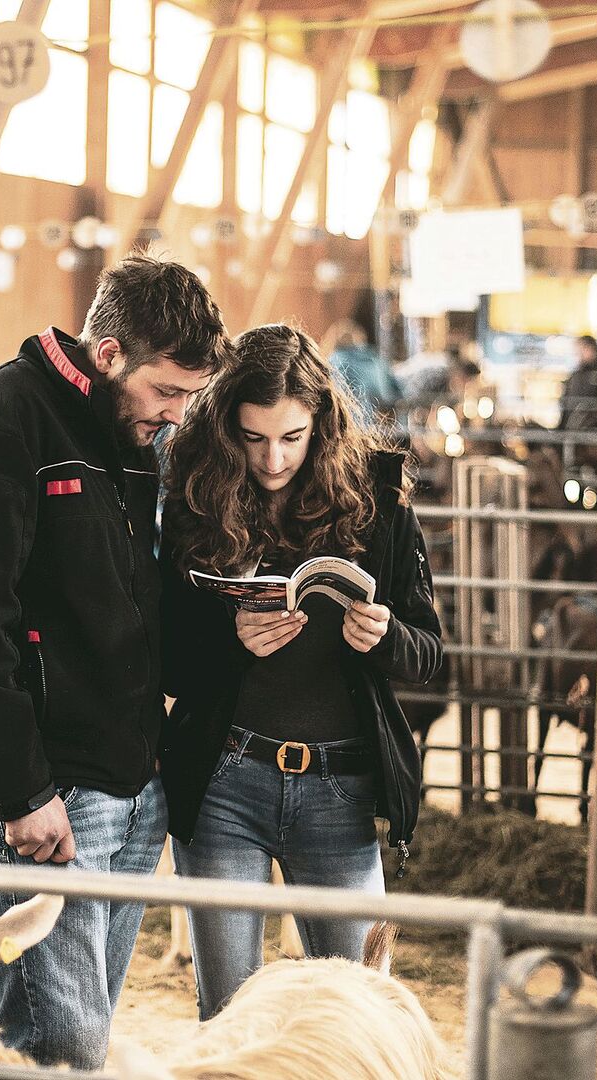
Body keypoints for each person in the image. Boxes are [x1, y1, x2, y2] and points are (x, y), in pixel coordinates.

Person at [0, 255, 231, 1068]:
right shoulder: (0, 418)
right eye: (167, 391)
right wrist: (20, 790)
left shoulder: (126, 437)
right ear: (110, 354)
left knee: (75, 1038)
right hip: (34, 794)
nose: (177, 413)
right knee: (56, 1045)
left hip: (120, 782)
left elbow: (120, 603)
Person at [158, 324, 442, 1021]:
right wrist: (231, 642)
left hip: (339, 790)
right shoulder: (198, 498)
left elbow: (430, 652)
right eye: (253, 438)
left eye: (292, 436)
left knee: (360, 1013)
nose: (273, 459)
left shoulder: (377, 500)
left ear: (322, 422)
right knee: (230, 1017)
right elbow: (161, 653)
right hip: (225, 782)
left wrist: (385, 636)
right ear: (227, 428)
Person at [322, 319, 403, 420]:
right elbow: (393, 391)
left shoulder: (335, 359)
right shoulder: (374, 357)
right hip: (382, 416)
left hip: (349, 418)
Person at [557, 334, 597, 434]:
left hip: (593, 429)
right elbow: (565, 403)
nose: (578, 354)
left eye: (582, 350)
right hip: (572, 427)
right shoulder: (575, 375)